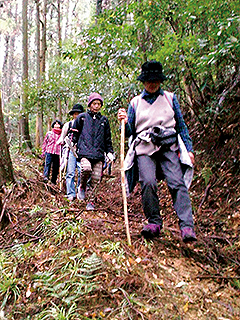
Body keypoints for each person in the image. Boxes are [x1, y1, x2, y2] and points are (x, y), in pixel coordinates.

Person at [117, 60, 197, 243]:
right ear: (143, 82)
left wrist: (189, 150)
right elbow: (130, 131)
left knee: (177, 182)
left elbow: (181, 126)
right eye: (148, 80)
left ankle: (186, 226)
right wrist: (123, 121)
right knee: (147, 182)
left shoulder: (170, 98)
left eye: (155, 80)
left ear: (160, 80)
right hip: (144, 147)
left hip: (168, 145)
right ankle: (154, 222)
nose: (152, 84)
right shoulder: (135, 103)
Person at [72, 92, 114, 210]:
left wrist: (110, 152)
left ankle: (91, 201)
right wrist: (73, 144)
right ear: (90, 104)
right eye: (94, 103)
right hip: (84, 151)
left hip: (99, 154)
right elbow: (75, 132)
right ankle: (82, 187)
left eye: (99, 104)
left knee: (96, 179)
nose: (96, 106)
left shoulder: (104, 121)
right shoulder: (82, 117)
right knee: (86, 169)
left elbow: (107, 138)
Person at [57, 103, 84, 201]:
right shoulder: (68, 125)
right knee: (70, 172)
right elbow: (62, 137)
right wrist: (61, 141)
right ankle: (71, 194)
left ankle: (80, 192)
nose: (77, 115)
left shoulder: (85, 125)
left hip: (82, 151)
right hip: (70, 150)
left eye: (79, 113)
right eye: (75, 113)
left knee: (82, 172)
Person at [42, 119, 63, 185]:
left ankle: (53, 181)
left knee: (56, 167)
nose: (56, 125)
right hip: (49, 151)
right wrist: (43, 151)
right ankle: (45, 177)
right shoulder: (49, 133)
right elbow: (45, 142)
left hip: (58, 153)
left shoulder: (62, 134)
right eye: (55, 124)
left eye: (58, 124)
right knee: (47, 164)